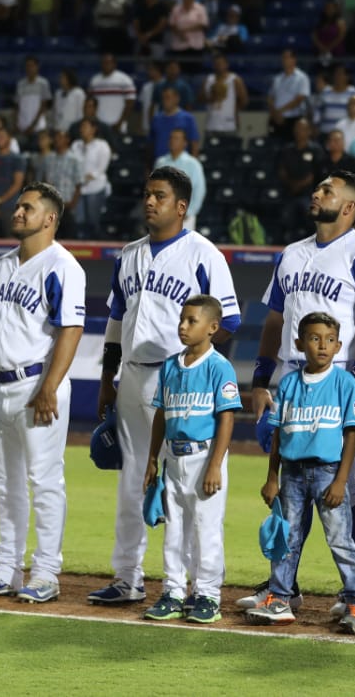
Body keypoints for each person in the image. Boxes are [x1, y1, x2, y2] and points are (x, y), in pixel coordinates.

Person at [239, 170, 355, 615]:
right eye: (318, 187)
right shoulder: (291, 253)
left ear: (349, 206)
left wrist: (351, 387)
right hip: (292, 376)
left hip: (340, 374)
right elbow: (274, 320)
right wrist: (260, 381)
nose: (317, 193)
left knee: (345, 482)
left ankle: (353, 592)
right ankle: (283, 586)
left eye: (328, 190)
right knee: (292, 478)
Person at [89, 167, 241, 605]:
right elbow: (116, 320)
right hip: (133, 376)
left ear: (181, 206)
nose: (149, 202)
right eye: (146, 194)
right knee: (133, 479)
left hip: (179, 378)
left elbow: (228, 320)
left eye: (159, 195)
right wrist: (107, 378)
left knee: (188, 485)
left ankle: (198, 587)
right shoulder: (128, 254)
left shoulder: (203, 254)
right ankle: (128, 577)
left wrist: (198, 369)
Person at [0, 183, 85, 603]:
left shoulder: (63, 266)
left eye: (27, 207)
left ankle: (45, 572)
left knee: (44, 481)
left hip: (36, 384)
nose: (17, 212)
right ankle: (6, 568)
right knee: (6, 483)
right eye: (16, 206)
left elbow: (71, 329)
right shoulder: (0, 266)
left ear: (49, 218)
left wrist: (50, 386)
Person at [248, 310, 355, 635]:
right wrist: (271, 476)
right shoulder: (289, 383)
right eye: (315, 339)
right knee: (286, 538)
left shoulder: (345, 383)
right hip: (291, 472)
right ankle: (280, 598)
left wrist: (342, 480)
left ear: (339, 346)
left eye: (330, 340)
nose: (322, 345)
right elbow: (278, 433)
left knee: (340, 540)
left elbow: (352, 434)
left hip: (328, 472)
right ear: (300, 343)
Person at [134, 294, 238, 625]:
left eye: (192, 321)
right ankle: (174, 592)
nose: (183, 326)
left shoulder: (219, 367)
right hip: (173, 458)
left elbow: (227, 418)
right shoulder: (170, 366)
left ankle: (207, 595)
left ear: (212, 327)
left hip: (205, 456)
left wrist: (215, 464)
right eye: (182, 319)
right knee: (174, 530)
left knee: (206, 530)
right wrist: (153, 459)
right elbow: (161, 414)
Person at [153, 129, 205, 232]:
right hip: (163, 214)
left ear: (184, 143)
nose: (172, 141)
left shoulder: (193, 164)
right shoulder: (160, 162)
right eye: (171, 138)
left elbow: (199, 190)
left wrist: (190, 211)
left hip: (185, 216)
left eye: (176, 138)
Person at [70, 118, 110, 238]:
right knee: (79, 220)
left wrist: (88, 176)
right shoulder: (76, 145)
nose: (82, 129)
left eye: (85, 126)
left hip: (95, 187)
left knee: (92, 221)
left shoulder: (102, 146)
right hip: (78, 188)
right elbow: (72, 164)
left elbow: (101, 168)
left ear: (93, 129)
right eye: (81, 127)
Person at [267, 49, 311, 141]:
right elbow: (270, 97)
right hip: (276, 118)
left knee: (291, 144)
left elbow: (299, 99)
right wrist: (274, 113)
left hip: (293, 118)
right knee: (274, 143)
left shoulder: (302, 78)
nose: (284, 60)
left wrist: (280, 111)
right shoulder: (277, 78)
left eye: (287, 57)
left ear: (294, 59)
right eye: (283, 58)